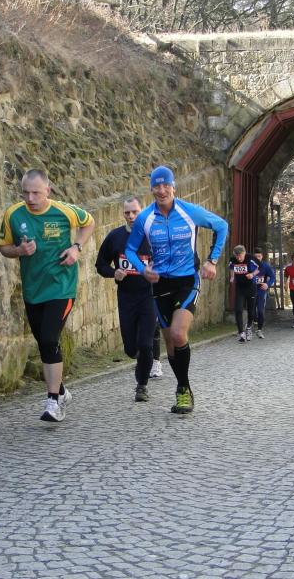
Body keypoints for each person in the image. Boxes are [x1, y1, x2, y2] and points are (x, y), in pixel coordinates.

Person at [125, 165, 228, 414]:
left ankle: (183, 390)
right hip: (160, 284)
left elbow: (221, 225)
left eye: (166, 186)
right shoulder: (145, 218)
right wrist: (142, 269)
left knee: (179, 334)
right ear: (151, 189)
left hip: (186, 280)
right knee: (170, 341)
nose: (162, 191)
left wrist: (212, 260)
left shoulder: (188, 211)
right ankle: (183, 387)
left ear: (173, 187)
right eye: (157, 186)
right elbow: (130, 249)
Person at [0, 169, 95, 422]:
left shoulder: (63, 211)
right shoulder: (13, 214)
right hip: (33, 290)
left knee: (50, 339)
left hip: (61, 287)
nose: (30, 198)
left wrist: (76, 247)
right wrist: (19, 250)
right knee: (43, 343)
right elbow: (4, 247)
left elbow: (89, 222)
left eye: (36, 193)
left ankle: (53, 402)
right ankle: (60, 391)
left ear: (47, 191)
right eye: (26, 193)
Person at [95, 196, 159, 402]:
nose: (131, 216)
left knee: (146, 344)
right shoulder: (115, 237)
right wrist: (113, 272)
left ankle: (142, 386)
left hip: (149, 296)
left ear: (142, 212)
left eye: (135, 212)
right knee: (131, 348)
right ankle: (141, 359)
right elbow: (100, 264)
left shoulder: (154, 236)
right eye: (127, 212)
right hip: (126, 297)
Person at [228, 245, 258, 342]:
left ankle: (249, 328)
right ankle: (241, 333)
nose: (239, 258)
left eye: (240, 256)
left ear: (244, 253)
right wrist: (232, 276)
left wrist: (252, 274)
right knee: (238, 309)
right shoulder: (233, 259)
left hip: (251, 287)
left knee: (251, 311)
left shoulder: (250, 258)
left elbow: (260, 267)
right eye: (237, 256)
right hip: (240, 288)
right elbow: (231, 267)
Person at [252, 247, 276, 338]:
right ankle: (254, 321)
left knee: (260, 311)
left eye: (259, 256)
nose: (257, 258)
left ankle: (259, 330)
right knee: (252, 311)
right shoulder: (249, 266)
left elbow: (272, 277)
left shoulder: (265, 266)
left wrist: (267, 284)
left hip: (261, 291)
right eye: (256, 257)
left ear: (262, 256)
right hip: (251, 291)